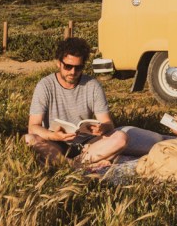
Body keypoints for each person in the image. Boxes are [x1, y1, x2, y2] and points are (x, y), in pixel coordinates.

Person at [24, 37, 127, 167]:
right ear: (58, 63)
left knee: (121, 138)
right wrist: (54, 136)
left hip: (87, 144)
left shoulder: (93, 85)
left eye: (78, 68)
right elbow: (33, 126)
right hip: (56, 143)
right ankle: (83, 163)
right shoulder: (45, 85)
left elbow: (108, 123)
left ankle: (71, 164)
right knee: (29, 139)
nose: (73, 72)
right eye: (68, 66)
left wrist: (101, 128)